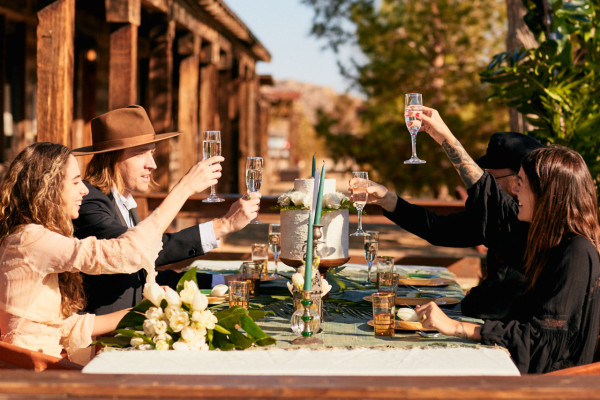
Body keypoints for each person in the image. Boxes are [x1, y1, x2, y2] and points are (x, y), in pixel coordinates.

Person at [413, 107, 600, 374]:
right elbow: (453, 222)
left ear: (548, 192)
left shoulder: (576, 252)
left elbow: (543, 341)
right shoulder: (547, 241)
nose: (515, 190)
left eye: (522, 183)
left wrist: (458, 328)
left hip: (549, 387)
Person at [0, 142, 223, 363]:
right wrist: (183, 190)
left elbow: (59, 326)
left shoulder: (33, 236)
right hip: (33, 370)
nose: (84, 189)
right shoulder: (29, 239)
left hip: (44, 361)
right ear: (48, 187)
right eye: (75, 182)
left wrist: (141, 313)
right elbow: (126, 252)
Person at [72, 105, 260, 315]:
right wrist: (190, 193)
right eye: (140, 153)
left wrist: (222, 280)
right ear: (112, 158)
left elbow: (148, 274)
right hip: (106, 336)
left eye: (151, 152)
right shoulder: (88, 202)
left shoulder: (124, 201)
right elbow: (138, 249)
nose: (152, 164)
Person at [362, 131, 542, 319]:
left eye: (493, 178)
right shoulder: (493, 218)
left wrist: (442, 134)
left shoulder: (529, 220)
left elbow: (485, 190)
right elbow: (439, 229)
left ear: (519, 178)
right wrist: (388, 200)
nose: (491, 185)